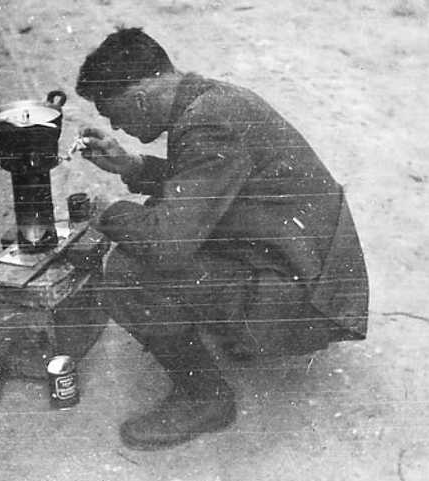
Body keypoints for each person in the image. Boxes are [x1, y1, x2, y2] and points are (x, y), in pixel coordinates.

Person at [75, 27, 369, 451]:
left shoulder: (207, 124)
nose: (115, 124)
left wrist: (109, 213)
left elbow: (167, 245)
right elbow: (205, 184)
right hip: (310, 269)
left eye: (112, 112)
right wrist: (132, 166)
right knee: (173, 235)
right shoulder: (208, 101)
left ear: (139, 95)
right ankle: (245, 326)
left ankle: (205, 398)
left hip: (312, 297)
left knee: (128, 271)